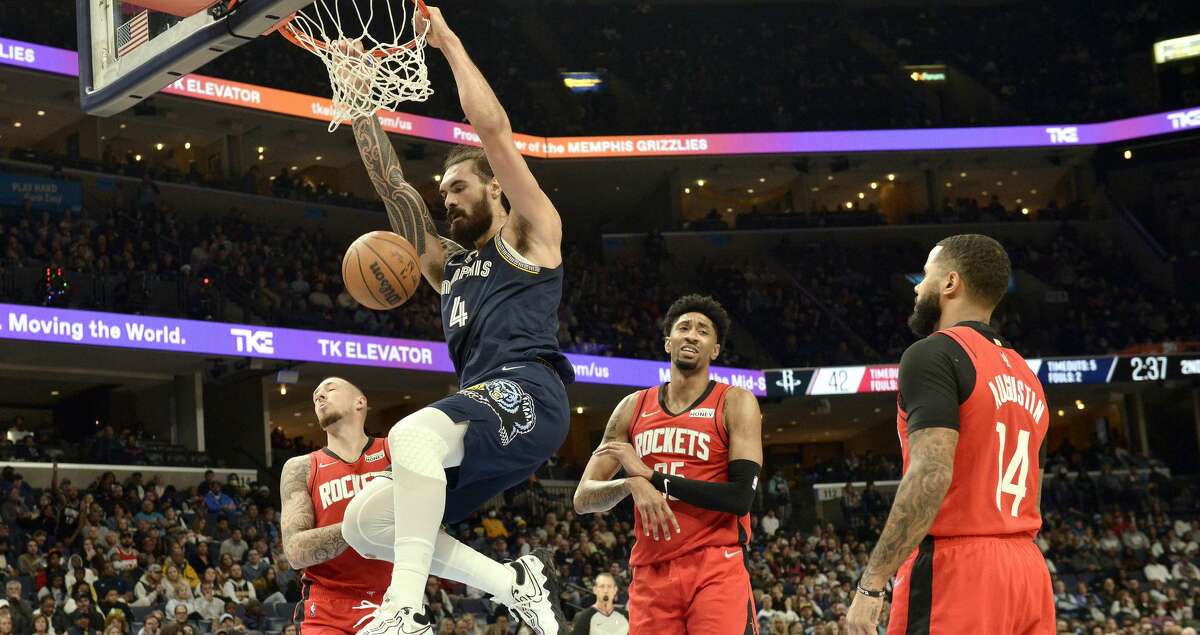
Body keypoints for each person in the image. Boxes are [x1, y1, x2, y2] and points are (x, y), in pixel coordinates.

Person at [337, 6, 574, 634]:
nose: (447, 198)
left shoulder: (531, 233)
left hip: (530, 391)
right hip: (481, 409)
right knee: (365, 522)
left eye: (459, 187)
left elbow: (494, 132)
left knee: (410, 435)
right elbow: (394, 189)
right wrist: (363, 105)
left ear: (495, 189)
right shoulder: (446, 267)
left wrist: (446, 42)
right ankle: (513, 582)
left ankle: (403, 612)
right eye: (443, 191)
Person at [846, 234, 1055, 634]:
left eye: (924, 275)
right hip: (1027, 568)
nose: (917, 285)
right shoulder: (1028, 375)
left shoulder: (934, 352)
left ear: (950, 283)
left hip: (960, 567)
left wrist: (871, 585)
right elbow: (1035, 487)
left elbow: (931, 472)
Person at [574, 295, 763, 633]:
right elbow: (583, 497)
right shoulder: (632, 407)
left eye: (703, 331)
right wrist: (631, 484)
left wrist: (651, 476)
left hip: (716, 565)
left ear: (715, 350)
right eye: (684, 328)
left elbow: (740, 499)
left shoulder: (735, 401)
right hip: (651, 571)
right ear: (668, 342)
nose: (692, 335)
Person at [278, 377, 392, 633]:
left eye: (330, 389)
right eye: (316, 395)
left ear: (360, 402)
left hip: (393, 601)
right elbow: (295, 552)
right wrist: (361, 525)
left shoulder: (392, 449)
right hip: (327, 606)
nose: (319, 396)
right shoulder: (302, 466)